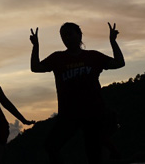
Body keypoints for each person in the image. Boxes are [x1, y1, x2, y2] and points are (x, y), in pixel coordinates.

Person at [30, 22, 125, 164]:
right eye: (63, 36)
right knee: (51, 146)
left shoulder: (92, 56)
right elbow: (36, 67)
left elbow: (119, 62)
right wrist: (36, 46)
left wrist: (112, 41)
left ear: (79, 35)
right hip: (68, 114)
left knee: (93, 154)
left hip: (93, 114)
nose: (66, 38)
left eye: (69, 34)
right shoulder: (57, 58)